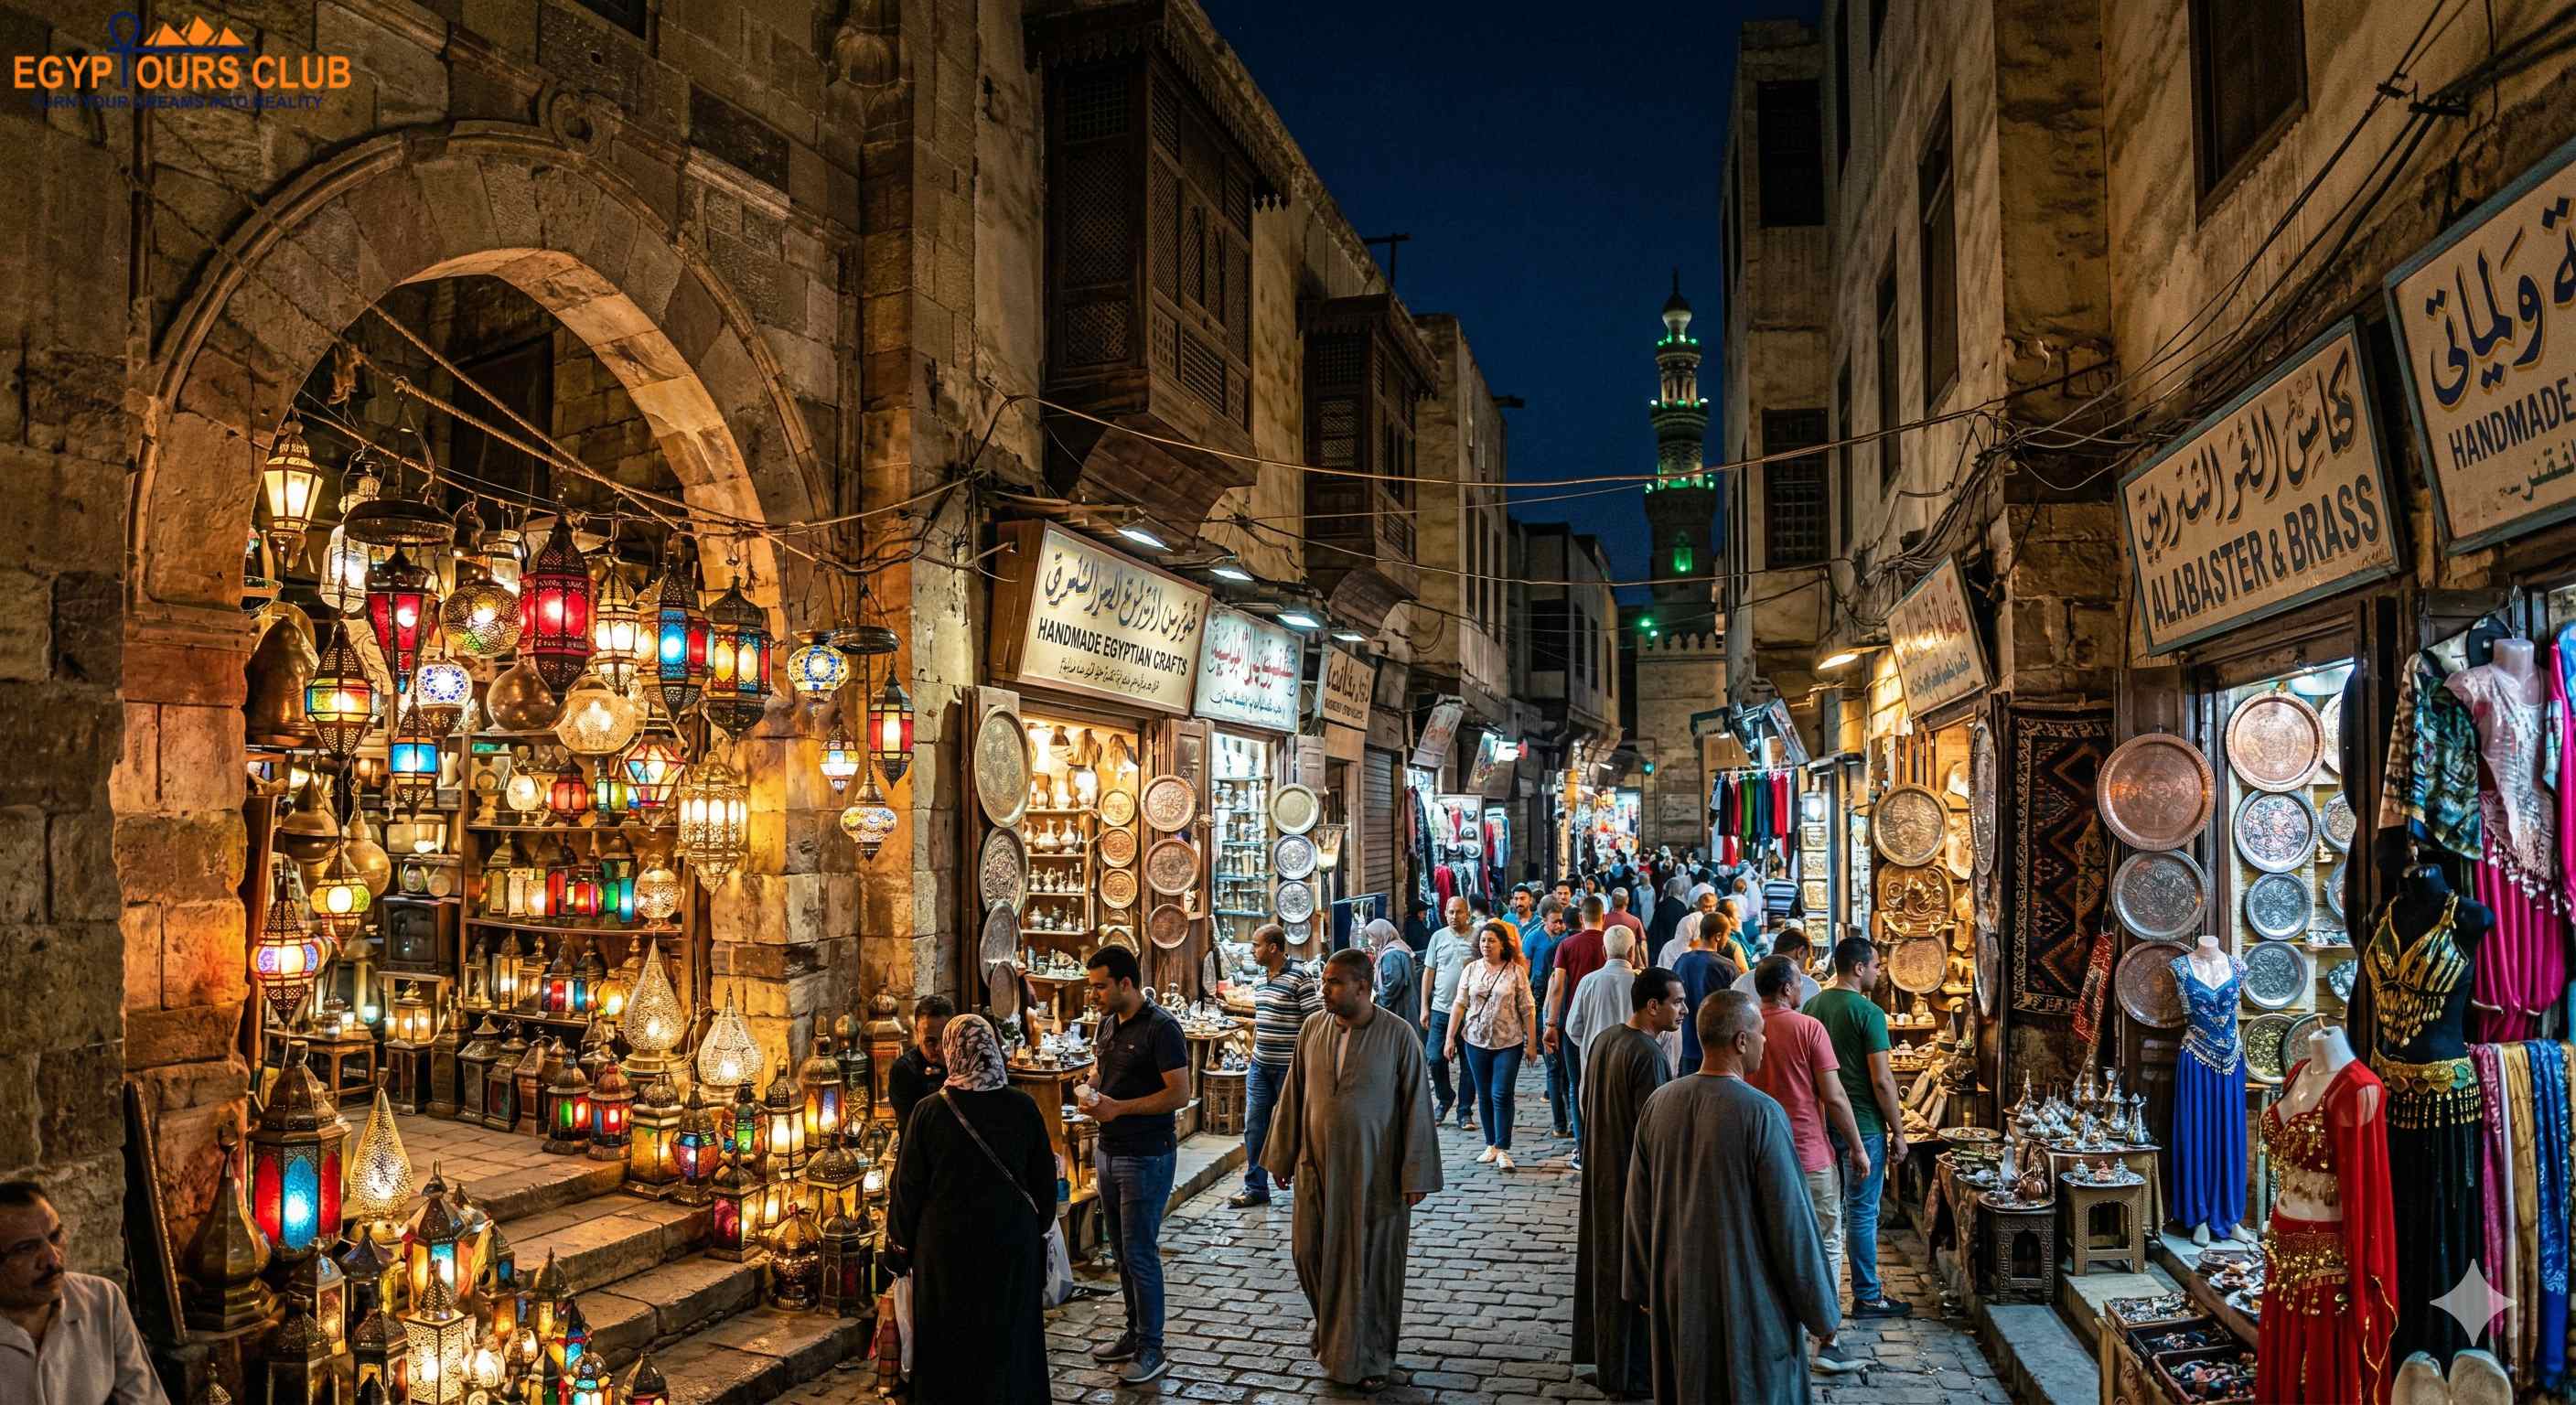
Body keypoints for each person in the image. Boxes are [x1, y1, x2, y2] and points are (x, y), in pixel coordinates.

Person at [1622, 992, 1842, 1404]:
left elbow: (1637, 1207)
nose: (1765, 1043)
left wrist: (1641, 1286)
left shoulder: (1660, 1103)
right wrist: (1821, 1311)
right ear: (1741, 1041)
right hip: (1748, 1297)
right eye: (1760, 1035)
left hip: (1679, 1290)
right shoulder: (1761, 1112)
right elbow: (1791, 1221)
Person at [1263, 949, 1444, 1392]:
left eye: (1333, 983)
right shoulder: (1313, 1029)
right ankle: (1334, 1332)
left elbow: (1416, 1107)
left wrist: (1414, 1174)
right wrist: (1282, 1155)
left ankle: (1370, 1358)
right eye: (1324, 981)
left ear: (1363, 988)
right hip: (1315, 1167)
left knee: (1371, 1268)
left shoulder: (1399, 1036)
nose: (1324, 990)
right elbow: (1294, 1094)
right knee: (1309, 1254)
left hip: (1374, 1175)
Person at [886, 1015, 1056, 1401]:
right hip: (1011, 1244)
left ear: (951, 1053)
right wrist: (1037, 1229)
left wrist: (898, 1251)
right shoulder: (1023, 1107)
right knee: (1010, 1337)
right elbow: (1044, 1183)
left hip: (946, 1251)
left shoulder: (929, 1113)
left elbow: (907, 1188)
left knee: (949, 1339)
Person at [1744, 957, 1873, 1376]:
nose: (1802, 988)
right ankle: (1827, 1336)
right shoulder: (1807, 1028)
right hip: (1809, 1153)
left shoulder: (1745, 1030)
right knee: (1824, 1241)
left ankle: (1777, 1331)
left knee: (1766, 1242)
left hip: (1759, 1154)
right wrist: (1857, 1146)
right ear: (1785, 988)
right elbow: (1834, 1097)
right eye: (1798, 982)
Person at [1080, 945, 1194, 1385]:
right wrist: (1090, 1088)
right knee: (1122, 1253)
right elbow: (1100, 1068)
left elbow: (1178, 1094)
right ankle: (1133, 1333)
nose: (1094, 995)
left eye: (1100, 987)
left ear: (1125, 983)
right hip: (1108, 1151)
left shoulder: (1162, 1029)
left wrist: (1119, 1108)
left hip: (1145, 1156)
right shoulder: (1108, 1023)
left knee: (1141, 1253)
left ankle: (1152, 1348)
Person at [1575, 967, 1684, 1398]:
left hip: (1602, 1174)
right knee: (1634, 1274)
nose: (1683, 1010)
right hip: (1630, 1183)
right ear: (1652, 1005)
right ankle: (1632, 1373)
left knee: (1606, 1268)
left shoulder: (1605, 1040)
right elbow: (1655, 1130)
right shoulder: (1648, 1055)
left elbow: (1586, 1100)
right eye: (1677, 1001)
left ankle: (1610, 1364)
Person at [1805, 937, 1913, 1319]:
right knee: (1863, 1212)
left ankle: (1822, 1293)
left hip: (1823, 1123)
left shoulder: (1813, 1005)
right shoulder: (1869, 1014)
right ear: (1858, 968)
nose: (1880, 972)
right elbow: (1883, 1080)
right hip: (1863, 1124)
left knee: (1830, 1212)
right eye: (1877, 965)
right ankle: (1867, 1295)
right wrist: (1898, 1131)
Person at [0, 1181, 165, 1405]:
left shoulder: (102, 1299)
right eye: (26, 1248)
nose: (52, 1259)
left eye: (55, 1236)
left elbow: (144, 1400)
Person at [1231, 924, 1321, 1208]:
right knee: (1255, 1127)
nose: (1251, 950)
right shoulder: (1259, 980)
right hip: (1260, 1066)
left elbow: (1314, 1022)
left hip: (1289, 1069)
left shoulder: (1300, 978)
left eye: (1256, 945)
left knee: (1295, 1127)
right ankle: (1256, 1187)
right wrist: (1252, 1052)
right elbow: (1262, 1021)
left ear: (1272, 947)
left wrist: (1306, 1064)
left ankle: (1305, 1186)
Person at [1445, 919, 1540, 1170]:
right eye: (1483, 940)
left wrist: (1532, 1043)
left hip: (1508, 1041)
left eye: (1492, 941)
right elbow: (1459, 1004)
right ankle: (1491, 1144)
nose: (1486, 945)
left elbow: (1528, 1008)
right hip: (1475, 1040)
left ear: (1502, 945)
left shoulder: (1515, 971)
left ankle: (1503, 1147)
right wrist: (1449, 1037)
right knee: (1484, 1093)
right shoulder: (1472, 969)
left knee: (1501, 1093)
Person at [1419, 896, 1478, 1131]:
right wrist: (1424, 1005)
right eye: (1451, 912)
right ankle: (1445, 1098)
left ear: (1468, 913)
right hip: (1441, 1009)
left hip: (1470, 1011)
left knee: (1468, 1064)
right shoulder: (1438, 937)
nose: (1455, 917)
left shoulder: (1477, 938)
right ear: (1445, 913)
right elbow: (1429, 972)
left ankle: (1465, 1111)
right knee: (1434, 1057)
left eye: (1459, 912)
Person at [1523, 903, 1572, 1136]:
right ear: (1544, 920)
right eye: (1555, 921)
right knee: (1557, 1071)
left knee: (1561, 1072)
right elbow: (1539, 982)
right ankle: (1562, 1123)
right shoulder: (1541, 942)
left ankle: (1566, 1122)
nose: (1560, 925)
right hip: (1552, 1015)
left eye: (1562, 921)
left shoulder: (1564, 944)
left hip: (1561, 1017)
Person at [885, 993, 955, 1133]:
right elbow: (915, 1125)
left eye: (945, 1039)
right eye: (930, 1041)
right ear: (917, 1033)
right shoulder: (904, 1070)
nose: (939, 1048)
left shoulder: (965, 1063)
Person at [1732, 925, 1820, 1006]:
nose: (1805, 968)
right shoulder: (1810, 986)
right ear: (1800, 952)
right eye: (1807, 958)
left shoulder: (1742, 981)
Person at [1364, 917, 1420, 1038]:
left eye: (1372, 936)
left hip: (1400, 1006)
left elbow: (1392, 984)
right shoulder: (1398, 946)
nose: (1371, 941)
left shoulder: (1391, 954)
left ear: (1381, 934)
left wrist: (1380, 1003)